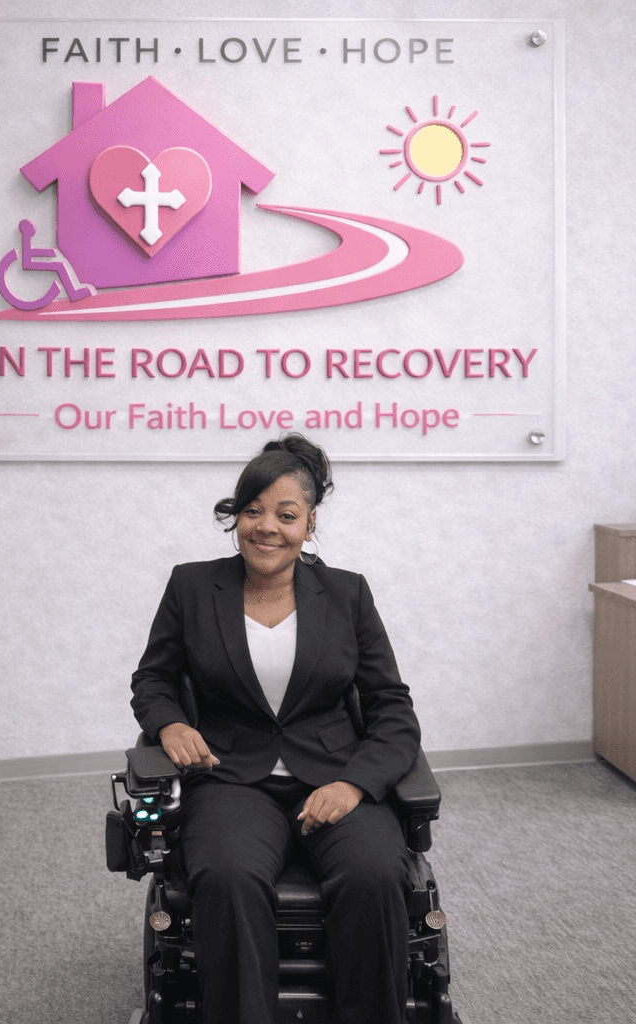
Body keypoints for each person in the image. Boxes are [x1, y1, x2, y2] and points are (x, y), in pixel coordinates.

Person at [130, 434, 421, 1024]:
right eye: (252, 510)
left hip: (336, 776)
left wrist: (356, 786)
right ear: (235, 517)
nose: (267, 527)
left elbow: (392, 706)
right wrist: (171, 723)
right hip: (232, 778)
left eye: (286, 515)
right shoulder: (192, 586)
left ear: (309, 523)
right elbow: (152, 680)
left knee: (375, 873)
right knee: (228, 876)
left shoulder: (347, 593)